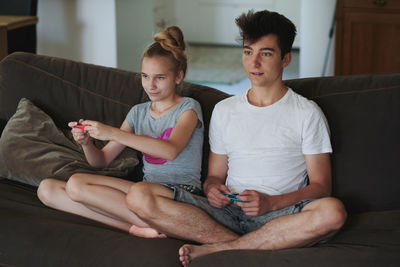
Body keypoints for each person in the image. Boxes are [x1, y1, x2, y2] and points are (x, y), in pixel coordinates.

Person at [125, 10, 347, 266]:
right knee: (139, 195)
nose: (253, 63)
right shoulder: (225, 110)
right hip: (226, 212)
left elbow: (321, 186)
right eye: (247, 51)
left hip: (279, 214)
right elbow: (215, 177)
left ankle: (223, 249)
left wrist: (271, 203)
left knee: (332, 212)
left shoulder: (307, 113)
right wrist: (212, 190)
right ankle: (247, 245)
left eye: (265, 53)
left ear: (285, 59)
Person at [37, 26, 204, 238]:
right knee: (47, 189)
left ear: (178, 76)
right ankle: (139, 228)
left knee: (77, 185)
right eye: (145, 76)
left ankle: (162, 223)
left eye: (159, 78)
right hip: (144, 192)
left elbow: (170, 151)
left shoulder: (188, 108)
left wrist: (114, 133)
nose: (150, 85)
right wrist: (87, 143)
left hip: (181, 193)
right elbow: (102, 161)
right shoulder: (138, 113)